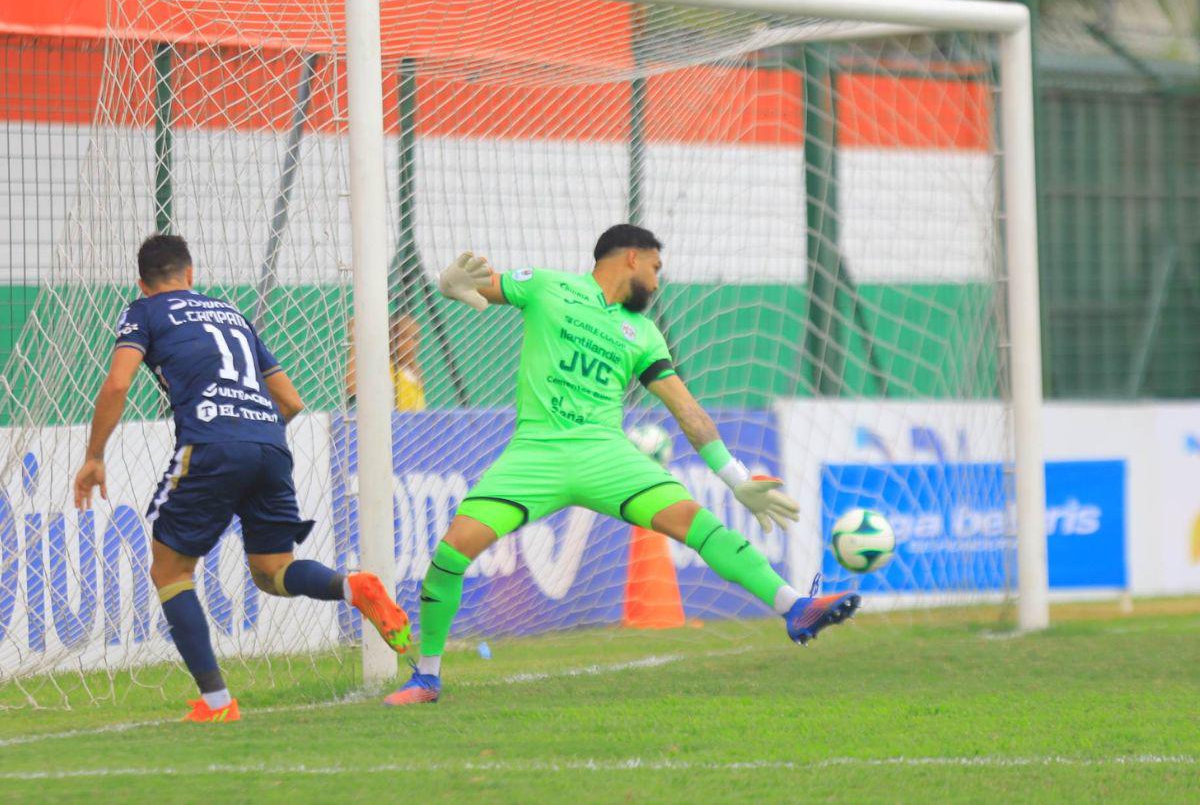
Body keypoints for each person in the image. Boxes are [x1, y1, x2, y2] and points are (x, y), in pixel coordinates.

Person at [384, 224, 859, 706]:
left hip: (606, 455)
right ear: (632, 257)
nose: (657, 282)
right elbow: (471, 285)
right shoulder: (549, 286)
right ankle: (427, 677)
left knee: (700, 525)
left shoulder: (645, 333)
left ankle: (794, 605)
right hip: (536, 453)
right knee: (451, 553)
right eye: (656, 268)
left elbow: (687, 410)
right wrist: (449, 283)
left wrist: (736, 478)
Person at [73, 234, 411, 723]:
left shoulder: (143, 313)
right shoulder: (232, 314)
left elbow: (119, 382)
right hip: (271, 445)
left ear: (143, 284)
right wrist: (252, 441)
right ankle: (353, 587)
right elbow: (292, 402)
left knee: (170, 572)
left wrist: (94, 455)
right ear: (191, 275)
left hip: (210, 443)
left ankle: (217, 703)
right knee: (272, 572)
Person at [346, 312, 426, 411]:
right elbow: (353, 386)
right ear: (390, 339)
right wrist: (356, 340)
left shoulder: (414, 373)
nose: (410, 343)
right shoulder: (384, 368)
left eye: (415, 337)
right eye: (403, 337)